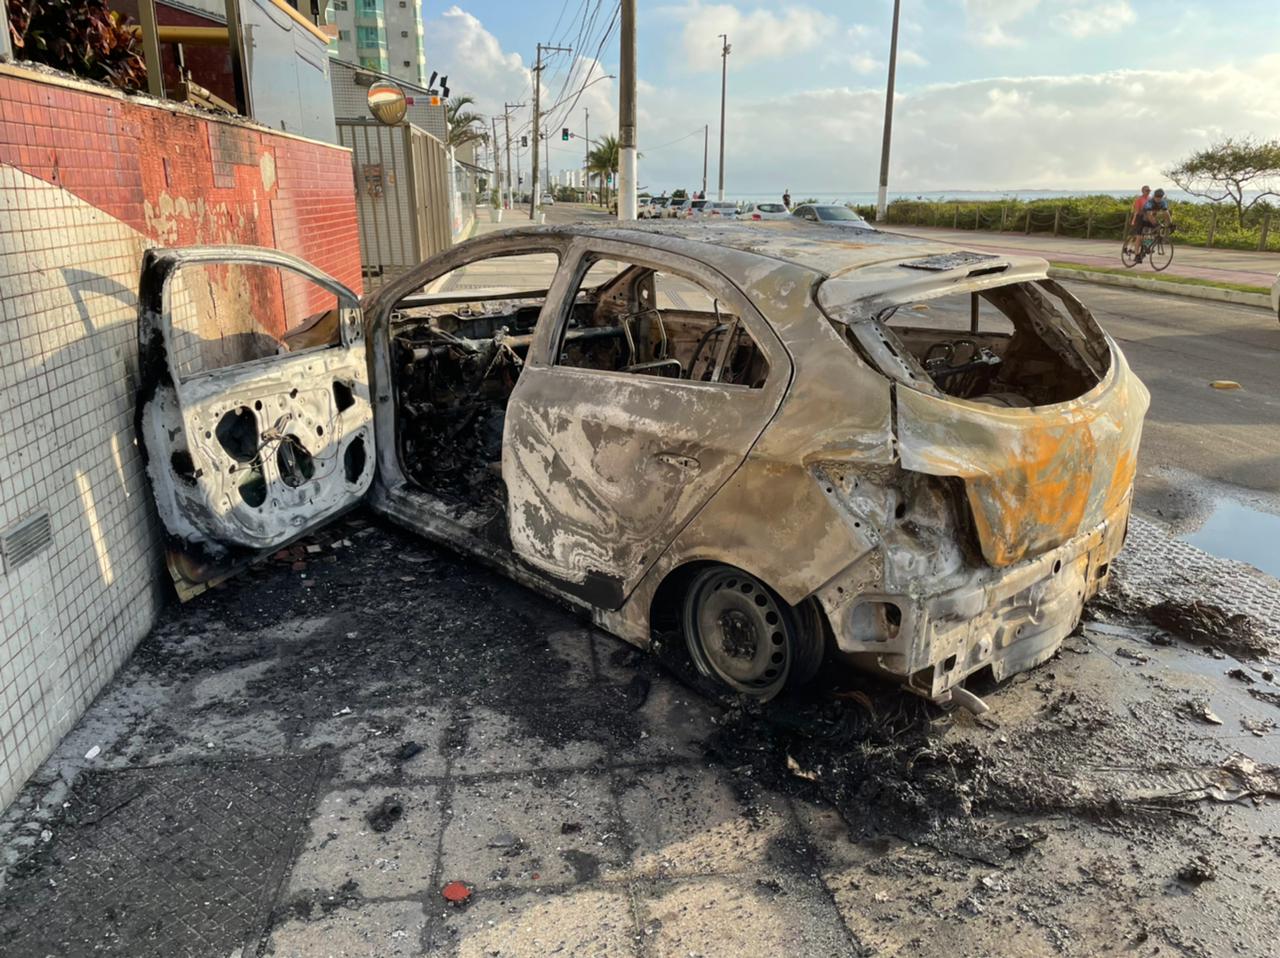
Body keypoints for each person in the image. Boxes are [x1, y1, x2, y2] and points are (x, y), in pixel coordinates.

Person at [1134, 188, 1174, 262]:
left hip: (1150, 219)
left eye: (1160, 197)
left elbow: (1166, 214)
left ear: (1162, 197)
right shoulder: (1149, 203)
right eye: (1157, 197)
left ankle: (1147, 245)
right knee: (1139, 237)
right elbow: (1149, 215)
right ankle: (1136, 255)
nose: (1158, 198)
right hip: (1141, 219)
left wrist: (1170, 224)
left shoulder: (1163, 202)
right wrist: (1156, 224)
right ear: (1154, 196)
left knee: (1156, 231)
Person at [1125, 185, 1150, 254]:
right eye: (1147, 191)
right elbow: (1137, 211)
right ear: (1143, 191)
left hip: (1146, 219)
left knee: (1145, 235)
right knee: (1134, 235)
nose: (1148, 192)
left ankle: (1143, 247)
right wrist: (1133, 220)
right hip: (1137, 218)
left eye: (1149, 191)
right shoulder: (1139, 199)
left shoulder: (1150, 199)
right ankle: (1125, 247)